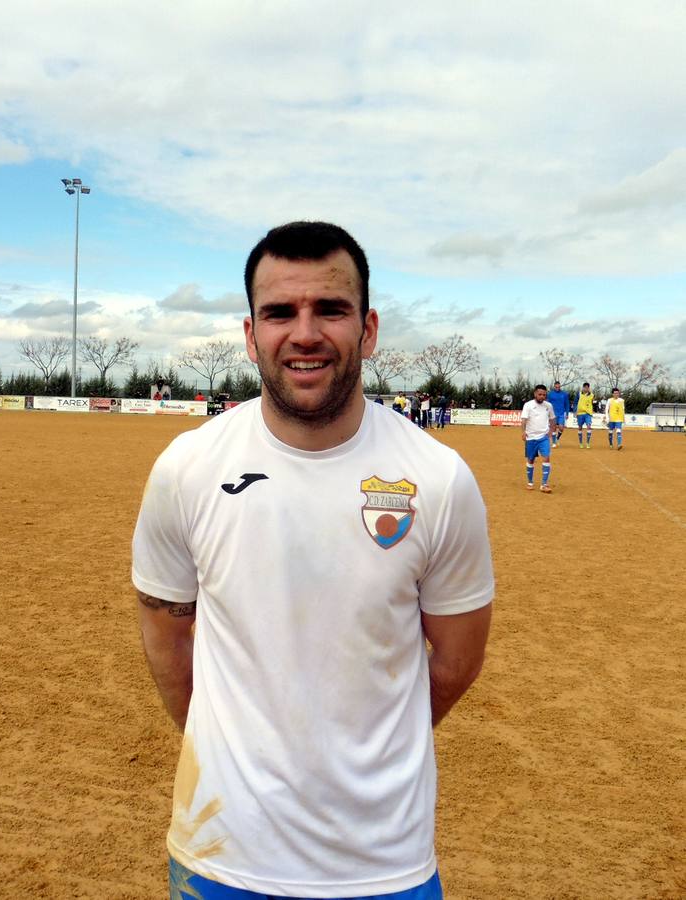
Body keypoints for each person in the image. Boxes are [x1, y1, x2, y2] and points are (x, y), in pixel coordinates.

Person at [132, 221, 494, 900]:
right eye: (279, 312)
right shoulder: (186, 469)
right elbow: (166, 633)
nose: (304, 333)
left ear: (368, 329)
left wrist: (366, 752)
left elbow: (454, 661)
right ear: (249, 335)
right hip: (222, 857)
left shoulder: (439, 480)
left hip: (384, 864)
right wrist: (230, 752)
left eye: (330, 309)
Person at [520, 384, 556, 493]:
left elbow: (552, 419)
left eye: (544, 395)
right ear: (535, 394)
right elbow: (524, 420)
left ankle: (544, 484)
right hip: (531, 437)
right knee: (531, 460)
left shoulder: (548, 406)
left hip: (543, 437)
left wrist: (551, 431)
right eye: (540, 394)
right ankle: (530, 482)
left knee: (546, 458)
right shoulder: (528, 405)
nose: (542, 396)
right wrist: (523, 432)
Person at [547, 381, 570, 447]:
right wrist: (547, 412)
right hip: (553, 414)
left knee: (561, 428)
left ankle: (557, 438)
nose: (557, 388)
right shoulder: (550, 394)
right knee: (553, 428)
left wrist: (567, 413)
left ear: (560, 387)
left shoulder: (564, 394)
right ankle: (554, 443)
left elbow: (567, 404)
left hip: (561, 414)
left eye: (559, 387)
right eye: (556, 387)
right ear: (554, 386)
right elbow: (547, 404)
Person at [574, 381, 595, 449]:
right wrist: (575, 411)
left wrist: (592, 410)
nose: (586, 389)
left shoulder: (592, 395)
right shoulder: (579, 394)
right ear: (583, 388)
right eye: (585, 387)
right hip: (580, 413)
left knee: (589, 426)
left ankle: (588, 443)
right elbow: (575, 403)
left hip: (588, 413)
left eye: (587, 387)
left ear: (589, 388)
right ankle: (580, 443)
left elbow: (592, 403)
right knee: (580, 427)